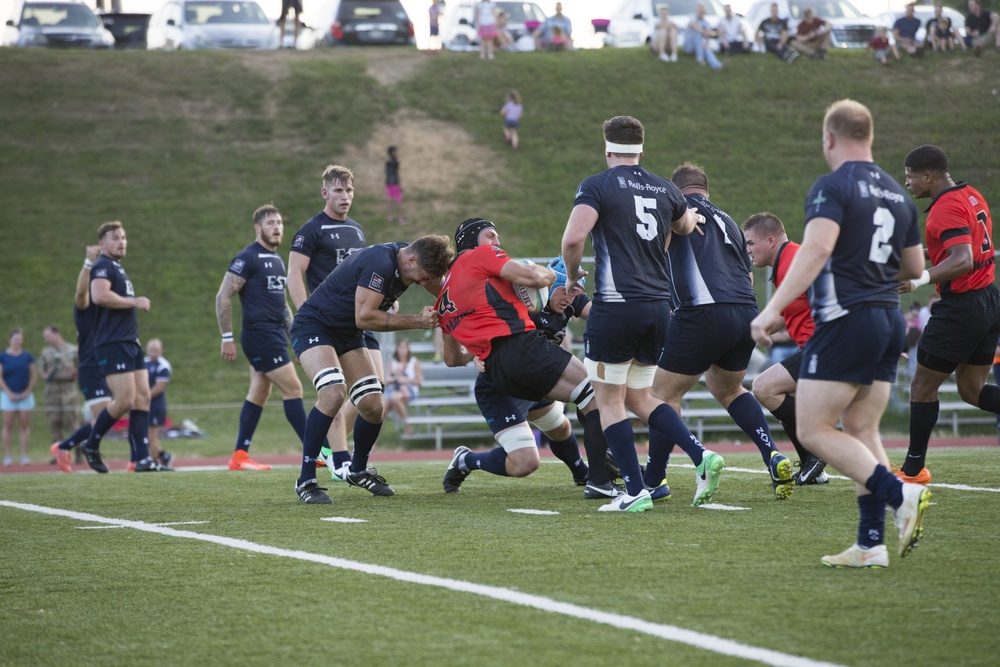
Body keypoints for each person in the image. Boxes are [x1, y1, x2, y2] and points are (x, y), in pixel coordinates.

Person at [750, 99, 929, 568]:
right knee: (860, 428)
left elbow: (816, 250)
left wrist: (770, 309)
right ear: (868, 137)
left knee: (814, 429)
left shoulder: (833, 185)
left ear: (829, 138)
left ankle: (899, 495)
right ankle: (870, 543)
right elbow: (914, 269)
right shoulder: (898, 193)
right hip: (888, 318)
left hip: (845, 319)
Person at [561, 115, 724, 513]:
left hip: (617, 305)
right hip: (659, 307)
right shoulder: (665, 187)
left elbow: (573, 238)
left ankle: (634, 491)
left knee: (609, 400)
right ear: (642, 150)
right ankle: (700, 454)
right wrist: (691, 218)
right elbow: (686, 223)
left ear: (607, 148)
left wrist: (571, 277)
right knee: (638, 397)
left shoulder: (597, 184)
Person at [647, 164, 795, 500]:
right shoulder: (729, 220)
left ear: (676, 189)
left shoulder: (676, 209)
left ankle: (653, 480)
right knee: (728, 389)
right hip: (744, 312)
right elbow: (748, 273)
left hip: (702, 311)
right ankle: (772, 455)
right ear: (705, 189)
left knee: (661, 395)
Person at [437, 220, 614, 499]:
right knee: (596, 395)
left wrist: (478, 353)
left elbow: (455, 353)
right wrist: (552, 275)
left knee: (560, 426)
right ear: (472, 239)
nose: (497, 242)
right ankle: (601, 478)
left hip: (510, 369)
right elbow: (533, 279)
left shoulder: (452, 291)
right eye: (490, 235)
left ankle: (585, 470)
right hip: (515, 360)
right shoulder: (492, 266)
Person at [290, 236, 453, 504]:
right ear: (412, 261)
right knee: (333, 393)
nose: (422, 284)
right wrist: (417, 321)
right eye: (422, 278)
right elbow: (364, 317)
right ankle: (306, 479)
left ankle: (358, 469)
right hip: (314, 326)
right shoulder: (381, 262)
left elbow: (437, 286)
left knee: (373, 403)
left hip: (348, 335)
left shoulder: (410, 258)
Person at [894, 144, 999, 485]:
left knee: (922, 386)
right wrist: (915, 256)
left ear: (928, 176)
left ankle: (912, 470)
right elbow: (954, 247)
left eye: (911, 177)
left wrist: (918, 278)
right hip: (988, 301)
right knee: (972, 389)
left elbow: (962, 259)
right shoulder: (970, 195)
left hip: (961, 308)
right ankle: (913, 467)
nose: (908, 183)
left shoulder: (944, 209)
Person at [288, 164, 368, 482]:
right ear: (325, 193)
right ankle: (340, 458)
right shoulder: (311, 230)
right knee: (334, 391)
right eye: (338, 190)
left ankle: (343, 455)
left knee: (372, 393)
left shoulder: (358, 230)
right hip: (322, 323)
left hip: (354, 323)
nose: (344, 196)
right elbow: (293, 273)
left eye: (349, 190)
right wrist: (305, 314)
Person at [216, 204, 308, 472]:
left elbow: (282, 307)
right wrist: (227, 336)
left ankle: (240, 455)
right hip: (259, 334)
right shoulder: (248, 257)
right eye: (271, 223)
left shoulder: (278, 260)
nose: (277, 227)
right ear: (258, 228)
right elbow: (223, 295)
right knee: (294, 389)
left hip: (275, 335)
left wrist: (296, 340)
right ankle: (316, 450)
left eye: (279, 222)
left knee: (259, 392)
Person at [742, 212, 828, 486]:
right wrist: (759, 328)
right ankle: (815, 465)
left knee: (764, 387)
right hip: (819, 346)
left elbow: (831, 295)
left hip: (824, 346)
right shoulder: (786, 261)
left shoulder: (793, 260)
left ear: (770, 240)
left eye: (751, 243)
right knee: (782, 396)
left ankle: (819, 447)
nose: (748, 250)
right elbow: (791, 309)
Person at [79, 221, 163, 473]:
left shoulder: (116, 267)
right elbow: (99, 296)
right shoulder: (103, 265)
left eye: (124, 237)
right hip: (112, 343)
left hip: (129, 342)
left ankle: (142, 459)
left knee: (142, 397)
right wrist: (133, 301)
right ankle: (91, 444)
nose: (122, 241)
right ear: (102, 244)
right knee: (125, 399)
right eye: (115, 238)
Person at [51, 245, 114, 473]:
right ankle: (66, 446)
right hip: (90, 368)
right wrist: (88, 263)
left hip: (104, 368)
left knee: (109, 417)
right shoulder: (84, 309)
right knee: (106, 417)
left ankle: (67, 446)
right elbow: (80, 294)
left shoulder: (102, 312)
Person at [37, 325, 79, 452]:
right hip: (52, 390)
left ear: (57, 334)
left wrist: (74, 373)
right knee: (54, 421)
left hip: (68, 389)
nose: (47, 340)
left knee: (72, 420)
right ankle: (58, 451)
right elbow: (41, 371)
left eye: (48, 336)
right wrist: (46, 375)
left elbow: (81, 367)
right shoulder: (45, 352)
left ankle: (78, 451)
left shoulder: (73, 350)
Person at [1, 328, 36, 466]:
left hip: (25, 396)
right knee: (7, 426)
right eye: (15, 339)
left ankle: (24, 456)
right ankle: (8, 456)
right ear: (10, 340)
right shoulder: (3, 356)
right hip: (7, 395)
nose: (18, 342)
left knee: (24, 426)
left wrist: (27, 391)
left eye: (20, 340)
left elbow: (33, 376)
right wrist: (8, 392)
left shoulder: (28, 356)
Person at [145, 338, 174, 470]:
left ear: (161, 350)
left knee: (152, 437)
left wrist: (142, 398)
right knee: (147, 436)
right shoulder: (144, 362)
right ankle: (163, 456)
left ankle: (154, 462)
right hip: (145, 404)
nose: (153, 353)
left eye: (156, 350)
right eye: (151, 350)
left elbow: (159, 388)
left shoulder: (163, 366)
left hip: (156, 405)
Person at [384, 338, 422, 436]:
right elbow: (387, 380)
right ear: (397, 349)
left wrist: (406, 380)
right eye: (400, 347)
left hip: (409, 390)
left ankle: (407, 424)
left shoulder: (414, 362)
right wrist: (395, 378)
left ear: (408, 349)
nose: (402, 349)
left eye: (404, 347)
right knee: (382, 410)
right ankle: (373, 442)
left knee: (394, 398)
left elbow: (418, 381)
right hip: (394, 389)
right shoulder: (392, 362)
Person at [683, 3, 723, 70]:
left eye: (702, 12)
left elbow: (707, 36)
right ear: (696, 11)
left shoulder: (706, 23)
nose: (700, 13)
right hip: (689, 47)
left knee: (707, 50)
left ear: (704, 12)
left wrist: (706, 44)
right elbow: (694, 26)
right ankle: (699, 58)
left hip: (699, 47)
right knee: (697, 33)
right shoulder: (692, 18)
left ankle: (717, 66)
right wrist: (705, 32)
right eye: (699, 11)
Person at [385, 146, 406, 224]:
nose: (397, 153)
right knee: (399, 200)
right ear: (392, 153)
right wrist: (400, 185)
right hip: (395, 184)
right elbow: (397, 174)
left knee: (390, 200)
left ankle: (390, 217)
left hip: (388, 183)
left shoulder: (387, 162)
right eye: (395, 151)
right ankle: (401, 217)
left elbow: (387, 173)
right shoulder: (396, 162)